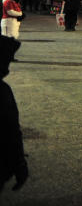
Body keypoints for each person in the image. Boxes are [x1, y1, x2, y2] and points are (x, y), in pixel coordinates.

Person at [0, 36, 28, 192]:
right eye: (6, 61)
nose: (8, 68)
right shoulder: (2, 91)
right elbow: (10, 131)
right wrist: (19, 164)